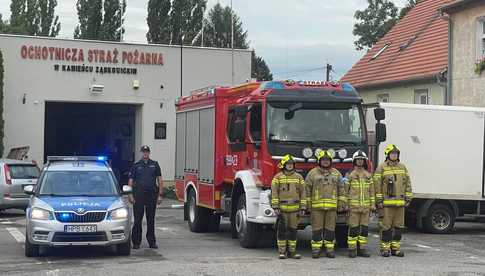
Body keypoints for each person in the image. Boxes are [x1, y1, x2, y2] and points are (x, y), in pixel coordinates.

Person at [374, 144, 412, 257]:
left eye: (396, 153)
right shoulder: (381, 167)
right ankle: (385, 249)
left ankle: (395, 248)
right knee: (386, 228)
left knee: (399, 228)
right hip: (386, 205)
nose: (394, 155)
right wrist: (379, 201)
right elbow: (377, 185)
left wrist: (408, 198)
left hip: (400, 204)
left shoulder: (403, 167)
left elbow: (408, 184)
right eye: (392, 153)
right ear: (387, 155)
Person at [305, 150, 346, 258]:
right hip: (316, 208)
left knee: (330, 230)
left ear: (331, 161)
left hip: (332, 208)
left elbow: (341, 189)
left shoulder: (336, 173)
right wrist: (307, 205)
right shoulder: (312, 173)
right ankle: (316, 249)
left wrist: (341, 204)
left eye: (328, 160)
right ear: (319, 161)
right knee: (317, 230)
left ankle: (330, 250)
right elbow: (307, 190)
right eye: (323, 160)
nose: (326, 162)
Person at [271, 154, 306, 260]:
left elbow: (303, 193)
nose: (290, 166)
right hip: (282, 210)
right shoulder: (277, 177)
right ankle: (282, 252)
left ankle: (292, 252)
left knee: (293, 231)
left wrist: (303, 207)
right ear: (283, 165)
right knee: (281, 231)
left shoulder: (299, 177)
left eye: (291, 164)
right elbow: (274, 193)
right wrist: (276, 207)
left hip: (295, 210)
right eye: (288, 164)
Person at [128, 145, 163, 249]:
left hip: (151, 195)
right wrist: (130, 194)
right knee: (138, 219)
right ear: (141, 153)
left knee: (150, 219)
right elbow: (130, 180)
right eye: (143, 152)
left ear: (149, 153)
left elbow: (160, 180)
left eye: (147, 152)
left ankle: (152, 242)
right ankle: (136, 242)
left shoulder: (155, 165)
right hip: (138, 195)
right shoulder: (136, 166)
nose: (145, 153)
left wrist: (160, 195)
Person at [344, 150, 375, 258]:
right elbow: (345, 192)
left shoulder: (368, 176)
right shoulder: (350, 175)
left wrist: (372, 205)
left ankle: (362, 249)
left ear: (364, 161)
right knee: (353, 229)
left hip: (366, 208)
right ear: (354, 161)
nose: (360, 162)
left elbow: (372, 192)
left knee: (364, 230)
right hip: (353, 208)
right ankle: (352, 250)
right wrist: (346, 206)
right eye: (358, 160)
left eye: (362, 160)